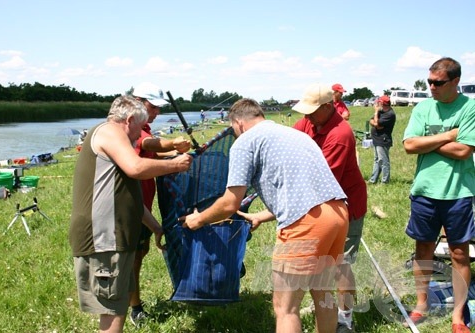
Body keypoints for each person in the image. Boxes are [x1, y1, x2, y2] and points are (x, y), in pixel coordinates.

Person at [181, 98, 349, 333]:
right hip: (338, 213)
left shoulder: (245, 141)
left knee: (285, 308)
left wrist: (197, 219)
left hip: (306, 223)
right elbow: (301, 188)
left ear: (238, 123)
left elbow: (230, 202)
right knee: (322, 293)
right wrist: (262, 215)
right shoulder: (294, 134)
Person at [69, 95, 192, 333]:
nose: (140, 135)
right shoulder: (110, 132)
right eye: (140, 128)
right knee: (112, 311)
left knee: (120, 302)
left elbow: (132, 199)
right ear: (130, 119)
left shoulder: (121, 145)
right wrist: (176, 164)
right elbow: (136, 168)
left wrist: (156, 228)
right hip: (103, 239)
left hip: (115, 239)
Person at [403, 57, 475, 333]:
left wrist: (427, 143)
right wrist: (449, 135)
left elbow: (463, 151)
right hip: (424, 191)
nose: (431, 87)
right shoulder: (423, 108)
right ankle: (422, 304)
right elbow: (409, 145)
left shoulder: (470, 108)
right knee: (423, 250)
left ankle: (458, 316)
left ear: (455, 82)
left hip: (458, 192)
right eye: (429, 81)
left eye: (438, 82)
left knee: (459, 253)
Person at [293, 83, 367, 333]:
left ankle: (346, 317)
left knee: (340, 263)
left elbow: (321, 179)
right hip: (320, 204)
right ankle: (325, 306)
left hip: (345, 205)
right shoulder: (310, 121)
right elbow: (292, 143)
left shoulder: (340, 134)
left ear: (328, 107)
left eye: (312, 111)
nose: (307, 116)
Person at [129, 82, 191, 326]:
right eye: (153, 107)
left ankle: (131, 303)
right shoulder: (132, 129)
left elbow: (154, 154)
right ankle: (134, 309)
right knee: (132, 258)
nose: (156, 113)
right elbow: (149, 145)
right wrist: (173, 144)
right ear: (139, 103)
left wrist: (179, 154)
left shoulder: (143, 125)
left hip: (143, 206)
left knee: (139, 254)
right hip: (131, 207)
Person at [368, 95, 396, 184]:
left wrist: (376, 113)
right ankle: (373, 180)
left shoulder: (390, 114)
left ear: (382, 103)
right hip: (376, 139)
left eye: (379, 102)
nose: (377, 103)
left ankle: (385, 181)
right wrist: (375, 123)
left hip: (383, 140)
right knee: (377, 160)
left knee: (383, 161)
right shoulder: (381, 111)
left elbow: (377, 123)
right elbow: (372, 121)